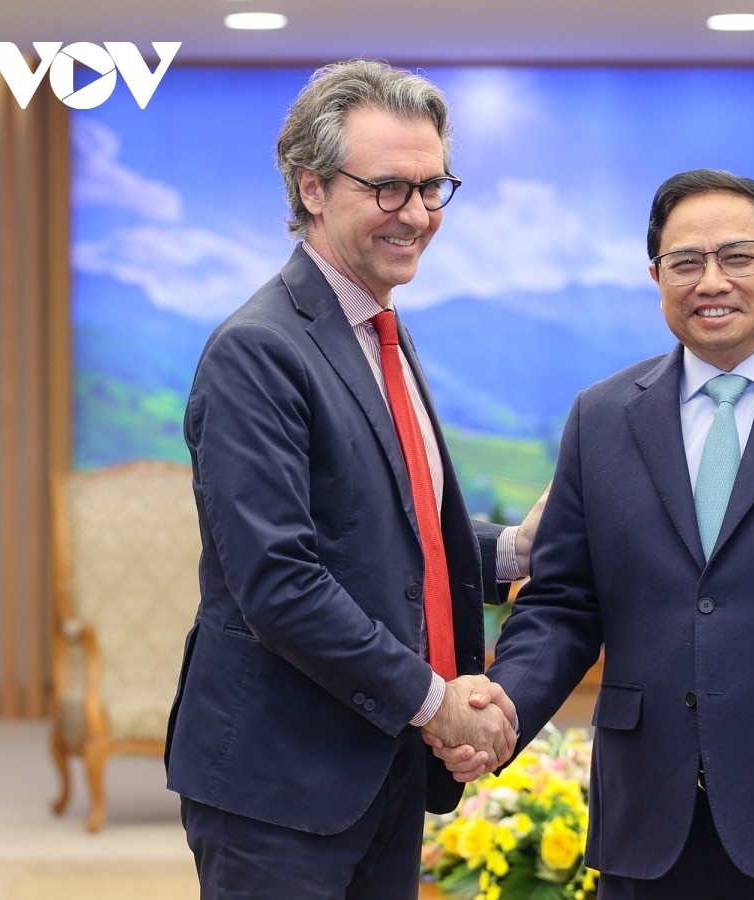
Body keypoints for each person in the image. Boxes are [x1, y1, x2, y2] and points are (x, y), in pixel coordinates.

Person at [430, 169, 754, 899]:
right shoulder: (603, 416)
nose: (711, 280)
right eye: (686, 262)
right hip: (649, 817)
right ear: (656, 277)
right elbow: (563, 604)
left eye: (737, 256)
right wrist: (506, 706)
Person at [164, 59, 537, 899]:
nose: (417, 214)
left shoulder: (378, 331)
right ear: (311, 188)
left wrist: (514, 548)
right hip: (281, 783)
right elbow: (280, 582)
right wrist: (435, 701)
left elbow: (386, 534)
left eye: (434, 186)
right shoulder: (259, 350)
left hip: (380, 766)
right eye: (389, 188)